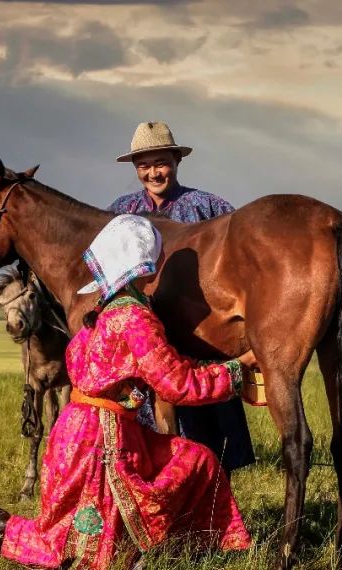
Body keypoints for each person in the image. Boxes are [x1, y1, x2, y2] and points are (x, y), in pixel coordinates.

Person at [0, 214, 252, 570]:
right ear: (144, 263)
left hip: (76, 430)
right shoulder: (135, 318)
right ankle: (3, 528)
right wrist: (237, 370)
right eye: (158, 255)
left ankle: (162, 548)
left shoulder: (102, 313)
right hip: (104, 439)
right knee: (70, 543)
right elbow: (177, 383)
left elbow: (155, 363)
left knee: (79, 522)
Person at [108, 121, 255, 473]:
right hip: (145, 338)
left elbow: (240, 258)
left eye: (161, 163)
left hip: (204, 335)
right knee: (146, 447)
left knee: (212, 439)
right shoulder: (120, 211)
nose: (153, 172)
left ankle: (213, 507)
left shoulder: (210, 207)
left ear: (176, 161)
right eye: (144, 165)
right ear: (135, 168)